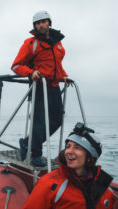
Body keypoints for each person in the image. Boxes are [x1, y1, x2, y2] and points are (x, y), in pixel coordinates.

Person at [12, 10, 70, 167]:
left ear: (49, 22)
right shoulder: (31, 43)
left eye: (43, 21)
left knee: (57, 120)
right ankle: (35, 153)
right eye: (37, 23)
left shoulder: (58, 44)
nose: (41, 25)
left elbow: (57, 65)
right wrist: (31, 73)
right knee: (39, 121)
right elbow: (16, 66)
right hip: (39, 85)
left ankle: (26, 143)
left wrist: (64, 76)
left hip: (54, 86)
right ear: (35, 26)